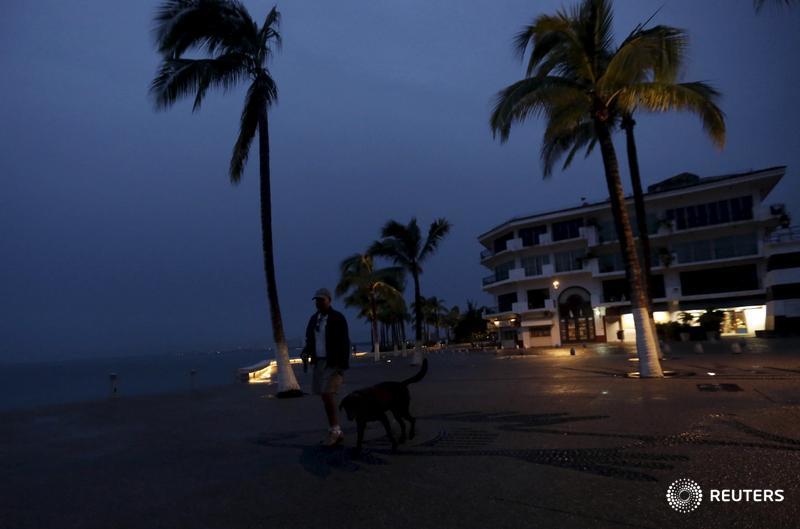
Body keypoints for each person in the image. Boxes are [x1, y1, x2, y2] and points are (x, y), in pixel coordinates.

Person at [302, 288, 350, 446]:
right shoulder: (314, 319)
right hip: (319, 361)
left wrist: (342, 365)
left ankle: (335, 431)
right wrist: (306, 352)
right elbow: (310, 339)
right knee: (324, 395)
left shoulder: (337, 318)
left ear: (329, 300)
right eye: (316, 300)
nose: (319, 302)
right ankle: (335, 429)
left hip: (333, 362)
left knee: (327, 393)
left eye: (322, 299)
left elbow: (344, 342)